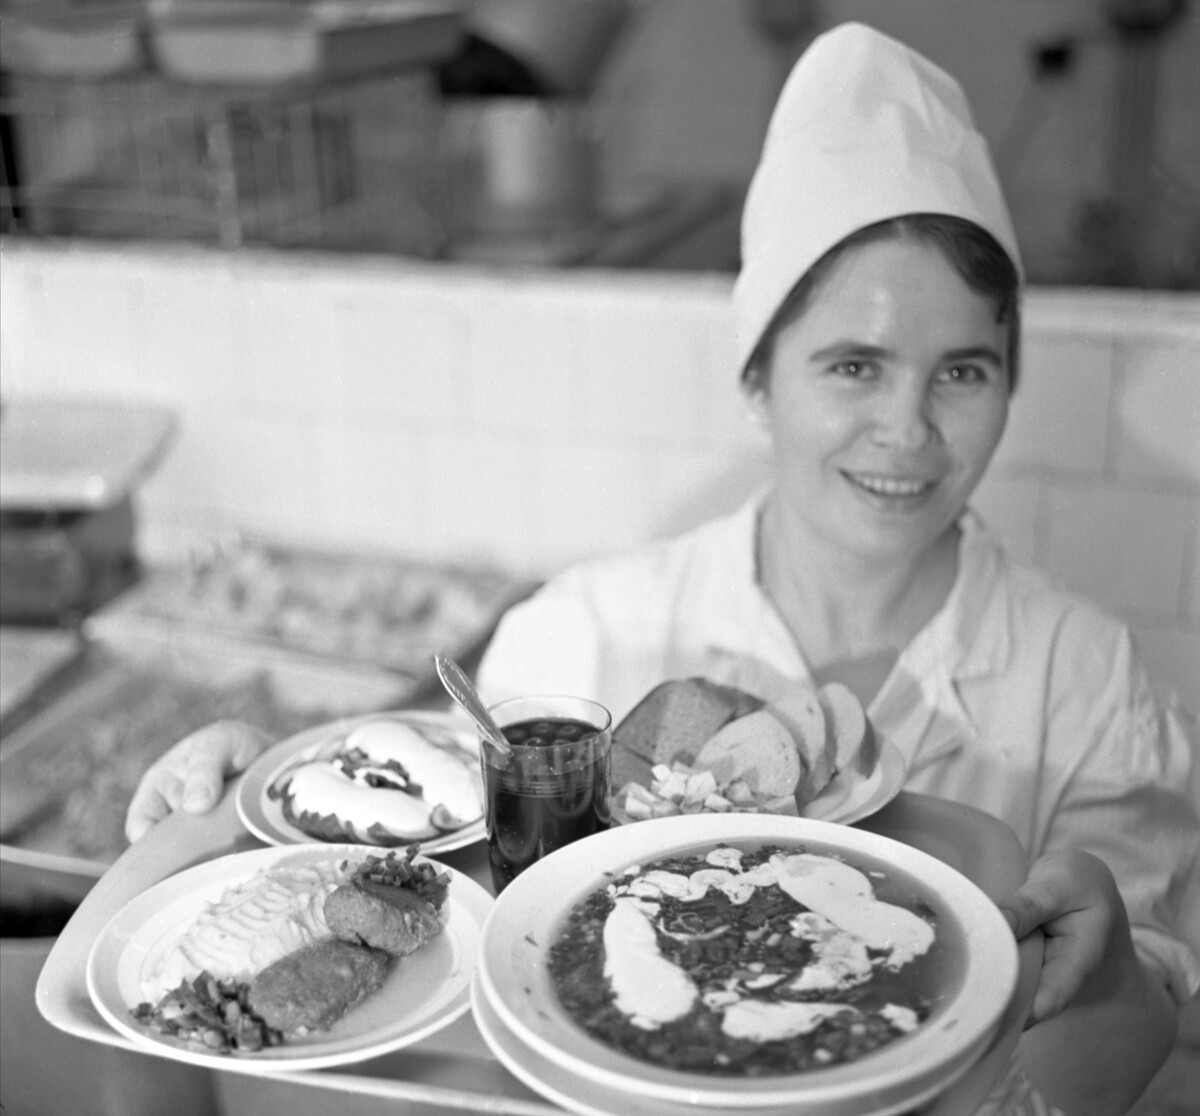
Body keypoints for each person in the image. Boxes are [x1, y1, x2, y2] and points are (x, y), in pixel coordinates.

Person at [125, 23, 1197, 1116]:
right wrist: (280, 796)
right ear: (757, 379)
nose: (906, 430)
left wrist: (1115, 975)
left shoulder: (1088, 681)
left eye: (962, 370)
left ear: (1011, 383)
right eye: (853, 366)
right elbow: (430, 879)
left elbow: (1148, 1021)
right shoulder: (583, 634)